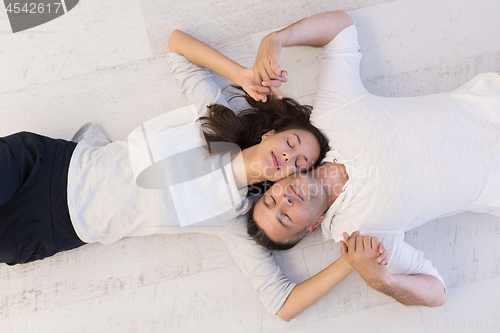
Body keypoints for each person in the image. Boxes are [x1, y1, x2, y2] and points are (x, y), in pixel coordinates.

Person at [246, 9, 500, 319]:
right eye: (286, 217)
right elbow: (437, 293)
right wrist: (383, 281)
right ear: (312, 227)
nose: (284, 201)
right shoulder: (360, 238)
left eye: (272, 199)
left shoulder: (330, 118)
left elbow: (341, 28)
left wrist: (275, 39)